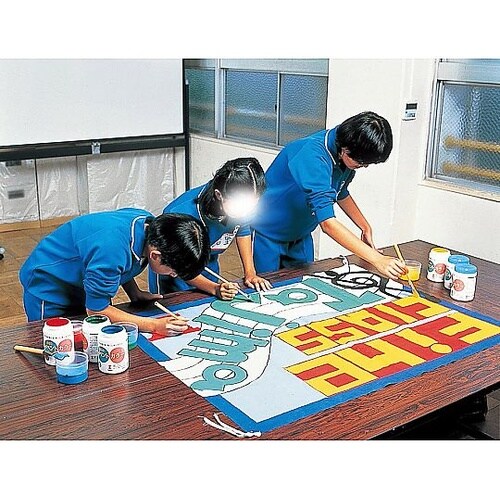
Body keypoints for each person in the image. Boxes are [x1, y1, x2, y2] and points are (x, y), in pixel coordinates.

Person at [251, 111, 406, 280]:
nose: (364, 166)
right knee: (266, 288)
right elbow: (327, 224)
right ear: (345, 149)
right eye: (362, 163)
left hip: (300, 234)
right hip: (268, 232)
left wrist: (364, 226)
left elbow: (340, 192)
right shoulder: (312, 155)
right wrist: (377, 259)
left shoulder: (344, 154)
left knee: (303, 285)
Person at [19, 209, 210, 336]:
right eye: (174, 272)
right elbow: (96, 309)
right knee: (54, 341)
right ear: (156, 256)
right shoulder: (111, 250)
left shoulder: (149, 226)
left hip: (82, 281)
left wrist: (135, 293)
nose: (173, 276)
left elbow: (123, 264)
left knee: (86, 336)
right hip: (48, 285)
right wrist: (154, 325)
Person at [149, 157, 272, 300]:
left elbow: (243, 229)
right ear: (219, 195)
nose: (246, 211)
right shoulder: (181, 213)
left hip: (208, 266)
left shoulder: (240, 204)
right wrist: (214, 288)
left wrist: (250, 273)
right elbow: (178, 266)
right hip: (173, 272)